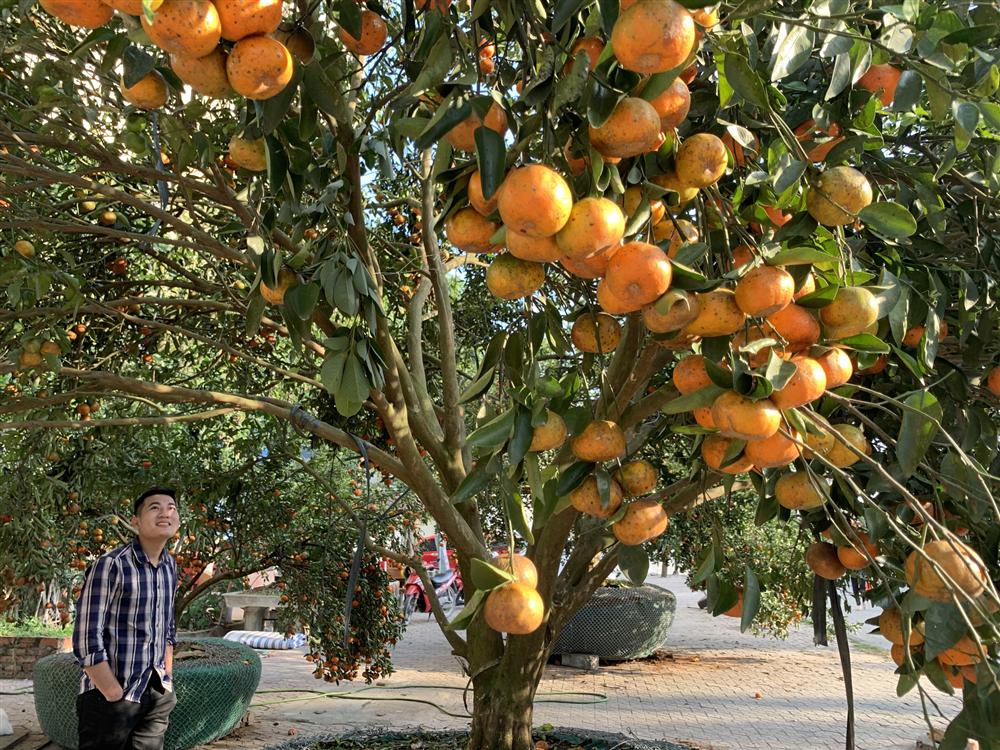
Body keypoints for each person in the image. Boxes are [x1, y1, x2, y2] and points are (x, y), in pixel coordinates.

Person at [72, 487, 180, 750]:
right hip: (110, 697)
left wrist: (167, 679)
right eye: (154, 507)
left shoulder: (170, 566)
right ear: (135, 521)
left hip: (155, 692)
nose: (166, 512)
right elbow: (86, 637)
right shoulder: (112, 564)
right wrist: (112, 691)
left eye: (172, 507)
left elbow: (167, 629)